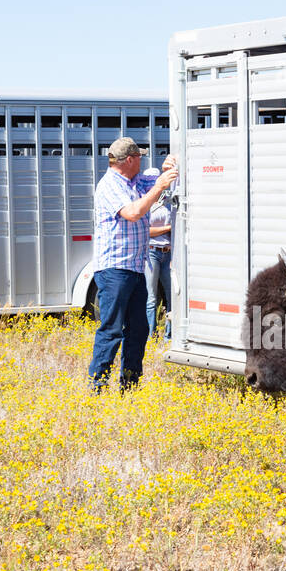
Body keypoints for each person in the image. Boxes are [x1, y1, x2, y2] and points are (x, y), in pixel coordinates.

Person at [87, 137, 178, 392]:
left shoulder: (135, 181)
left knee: (139, 328)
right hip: (115, 269)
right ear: (129, 160)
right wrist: (159, 185)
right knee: (112, 328)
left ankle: (130, 385)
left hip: (135, 269)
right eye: (139, 156)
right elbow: (133, 212)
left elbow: (163, 180)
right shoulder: (109, 186)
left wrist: (168, 167)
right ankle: (98, 386)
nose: (142, 160)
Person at [141, 167, 174, 341]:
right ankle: (151, 336)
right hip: (152, 253)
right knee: (151, 298)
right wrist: (168, 228)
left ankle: (169, 335)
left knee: (171, 297)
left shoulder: (166, 201)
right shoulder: (145, 204)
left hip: (167, 253)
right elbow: (147, 231)